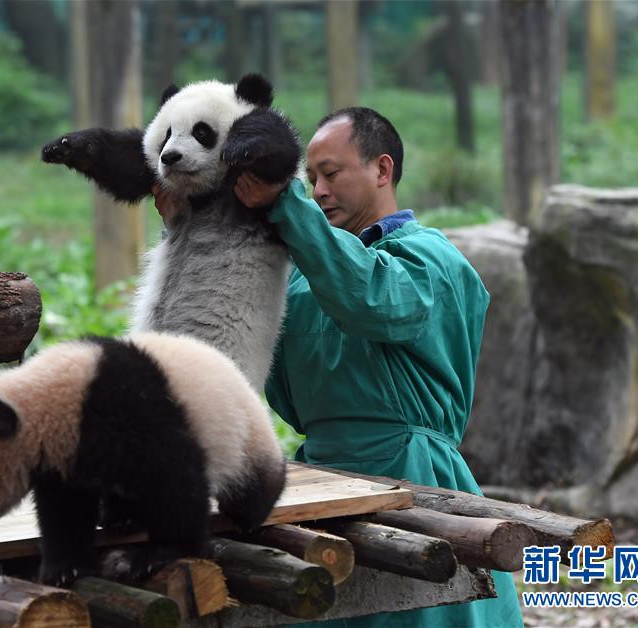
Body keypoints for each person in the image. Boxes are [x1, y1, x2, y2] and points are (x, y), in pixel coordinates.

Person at [154, 107, 523, 627]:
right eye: (310, 179)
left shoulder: (431, 258)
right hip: (319, 480)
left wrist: (287, 204)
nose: (319, 191)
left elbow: (370, 299)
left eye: (331, 174)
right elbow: (256, 363)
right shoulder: (304, 275)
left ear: (382, 169)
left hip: (412, 476)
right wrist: (195, 224)